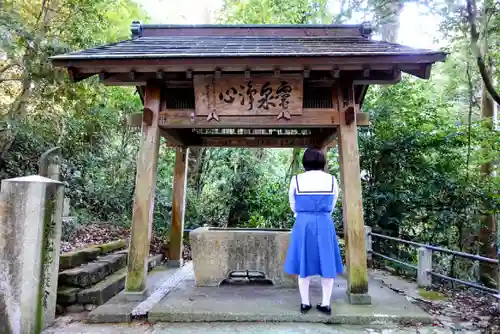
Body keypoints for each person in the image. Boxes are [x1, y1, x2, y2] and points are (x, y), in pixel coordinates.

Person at [284, 148, 344, 315]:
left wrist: (301, 215)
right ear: (322, 162)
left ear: (305, 162)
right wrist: (322, 214)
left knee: (304, 261)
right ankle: (326, 304)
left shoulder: (296, 180)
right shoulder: (332, 180)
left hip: (303, 222)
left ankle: (305, 303)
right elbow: (333, 203)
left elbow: (292, 202)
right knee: (327, 262)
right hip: (325, 222)